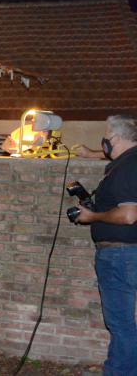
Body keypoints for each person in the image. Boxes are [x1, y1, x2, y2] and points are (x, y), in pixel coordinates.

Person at [74, 115, 137, 375]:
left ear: (118, 139)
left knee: (121, 324)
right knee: (127, 324)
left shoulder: (127, 168)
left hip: (120, 256)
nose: (104, 143)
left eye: (107, 138)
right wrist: (91, 155)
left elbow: (129, 214)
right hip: (127, 254)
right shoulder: (128, 162)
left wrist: (92, 216)